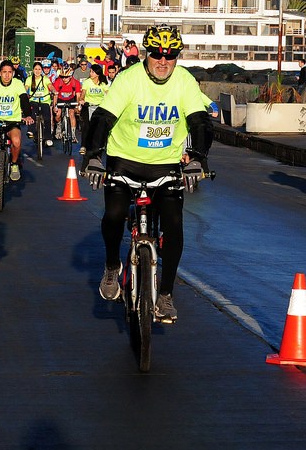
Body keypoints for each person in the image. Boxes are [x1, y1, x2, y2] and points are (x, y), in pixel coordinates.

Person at [82, 24, 212, 323]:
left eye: (170, 55)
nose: (163, 61)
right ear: (145, 54)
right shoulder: (129, 79)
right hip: (124, 162)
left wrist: (197, 158)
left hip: (166, 165)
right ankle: (112, 266)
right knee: (114, 215)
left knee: (174, 225)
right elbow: (102, 118)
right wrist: (93, 157)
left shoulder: (184, 81)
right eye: (156, 54)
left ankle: (165, 294)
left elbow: (200, 121)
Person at [0, 59, 34, 182]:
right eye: (4, 72)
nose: (7, 75)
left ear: (13, 73)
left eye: (10, 72)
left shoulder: (17, 83)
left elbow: (24, 99)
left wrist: (28, 115)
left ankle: (14, 164)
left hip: (12, 121)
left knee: (16, 141)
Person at [78, 64, 109, 155]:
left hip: (99, 106)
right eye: (90, 72)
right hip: (88, 105)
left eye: (92, 72)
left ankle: (101, 144)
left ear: (97, 73)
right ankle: (83, 146)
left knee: (101, 126)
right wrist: (81, 100)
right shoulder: (87, 82)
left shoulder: (103, 83)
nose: (90, 73)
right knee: (86, 126)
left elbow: (108, 93)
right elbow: (83, 93)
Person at [26, 61, 55, 148]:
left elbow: (50, 86)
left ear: (41, 70)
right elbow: (26, 88)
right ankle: (31, 130)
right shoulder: (29, 79)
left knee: (47, 118)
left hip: (44, 101)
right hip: (33, 100)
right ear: (33, 70)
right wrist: (25, 93)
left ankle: (48, 138)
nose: (37, 71)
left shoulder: (45, 79)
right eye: (36, 69)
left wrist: (54, 91)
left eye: (39, 69)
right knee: (33, 113)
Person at [52, 63, 82, 143]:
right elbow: (55, 95)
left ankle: (73, 135)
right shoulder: (58, 82)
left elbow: (78, 95)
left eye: (66, 77)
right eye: (62, 77)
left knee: (71, 114)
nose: (64, 79)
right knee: (58, 114)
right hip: (60, 99)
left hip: (71, 99)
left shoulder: (75, 83)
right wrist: (54, 106)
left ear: (70, 76)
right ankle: (59, 125)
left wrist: (78, 105)